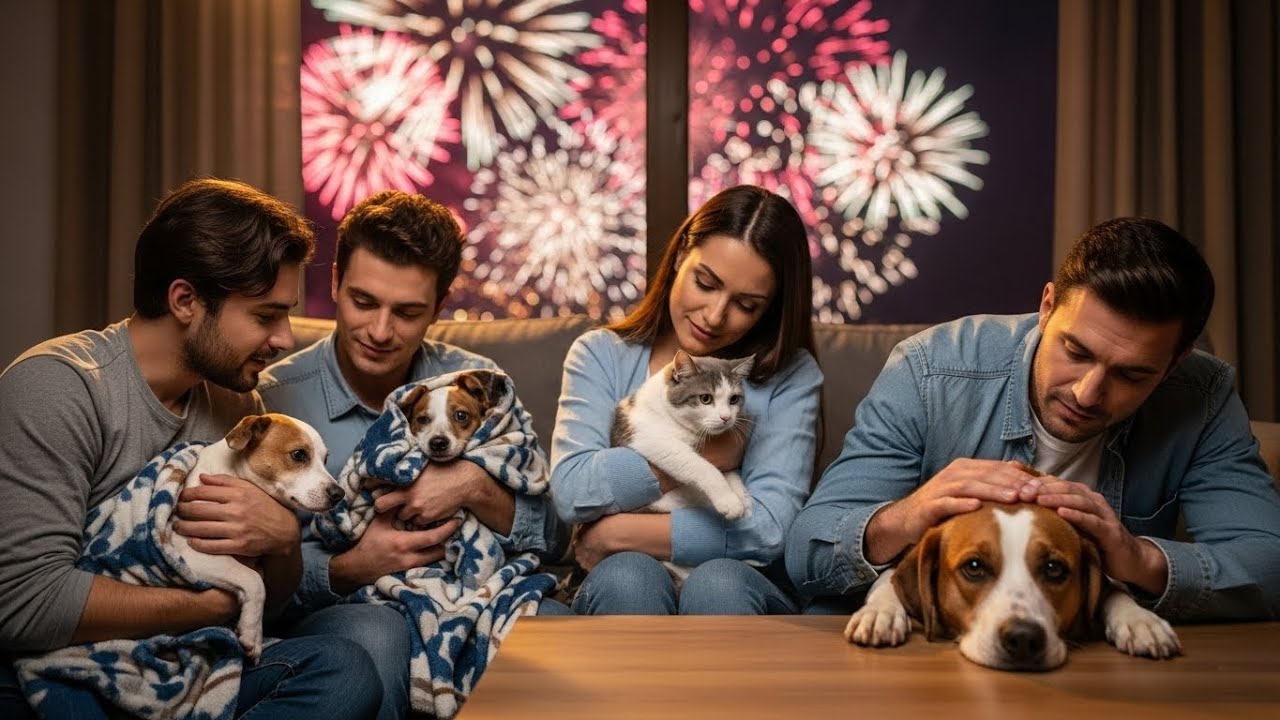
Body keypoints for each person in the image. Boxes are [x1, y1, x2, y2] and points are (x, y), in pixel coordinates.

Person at [0, 178, 381, 719]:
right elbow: (24, 605)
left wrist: (283, 542)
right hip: (56, 666)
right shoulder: (58, 388)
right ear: (186, 300)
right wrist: (212, 605)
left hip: (185, 662)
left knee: (344, 671)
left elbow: (269, 605)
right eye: (265, 315)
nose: (285, 339)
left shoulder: (237, 406)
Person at [787, 217, 1280, 621]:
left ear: (1174, 364)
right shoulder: (929, 368)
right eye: (1076, 350)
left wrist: (1139, 558)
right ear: (1047, 307)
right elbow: (808, 549)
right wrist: (910, 515)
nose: (1088, 393)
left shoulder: (1204, 395)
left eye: (1131, 375)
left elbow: (1270, 565)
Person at [257, 189, 567, 718]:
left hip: (474, 589)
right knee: (379, 633)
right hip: (341, 610)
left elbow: (557, 534)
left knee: (561, 633)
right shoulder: (274, 397)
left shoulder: (478, 386)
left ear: (439, 308)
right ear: (333, 284)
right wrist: (354, 565)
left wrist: (472, 485)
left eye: (407, 312)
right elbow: (255, 565)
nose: (380, 331)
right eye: (363, 302)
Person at [551, 185, 823, 615]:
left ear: (770, 309)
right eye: (705, 283)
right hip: (624, 577)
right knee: (628, 576)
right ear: (679, 255)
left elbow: (771, 529)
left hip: (737, 584)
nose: (715, 316)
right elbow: (572, 491)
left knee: (719, 584)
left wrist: (616, 533)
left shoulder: (789, 374)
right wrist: (709, 455)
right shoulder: (600, 354)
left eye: (746, 305)